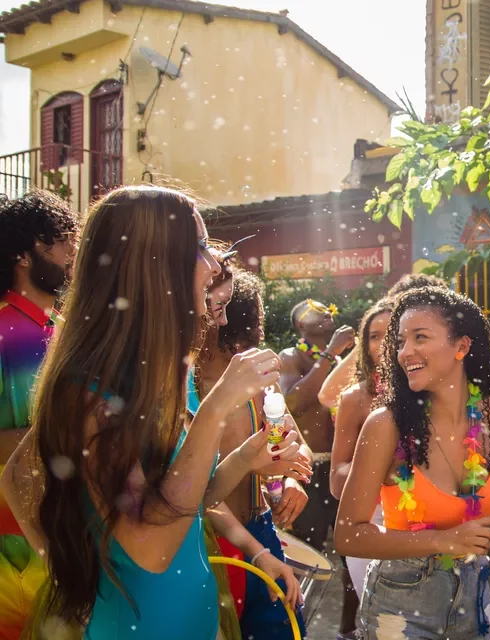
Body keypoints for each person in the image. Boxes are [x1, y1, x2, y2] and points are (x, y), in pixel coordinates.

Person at [0, 186, 304, 638]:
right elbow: (148, 548)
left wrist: (244, 459)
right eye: (198, 247)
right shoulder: (90, 389)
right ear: (153, 265)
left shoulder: (164, 372)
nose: (214, 264)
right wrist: (66, 571)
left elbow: (184, 502)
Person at [336, 287, 490, 639]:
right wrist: (444, 540)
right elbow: (348, 536)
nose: (405, 352)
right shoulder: (386, 426)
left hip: (475, 596)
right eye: (401, 341)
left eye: (420, 337)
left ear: (462, 347)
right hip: (401, 605)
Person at [199, 268, 313, 639]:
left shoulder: (261, 383)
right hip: (207, 541)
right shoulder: (188, 385)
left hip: (259, 529)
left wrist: (293, 479)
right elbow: (198, 489)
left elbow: (294, 443)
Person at [0, 190, 78, 640]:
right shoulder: (3, 330)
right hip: (12, 560)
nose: (72, 253)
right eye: (60, 241)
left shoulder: (66, 332)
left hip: (67, 551)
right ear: (22, 254)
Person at [325, 298, 393, 640]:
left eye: (391, 333)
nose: (382, 344)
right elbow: (337, 482)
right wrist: (381, 471)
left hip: (429, 524)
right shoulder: (355, 398)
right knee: (384, 624)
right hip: (372, 524)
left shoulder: (437, 392)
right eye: (374, 336)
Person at [279, 298, 355, 555]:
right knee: (306, 553)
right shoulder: (290, 357)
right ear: (301, 323)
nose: (327, 312)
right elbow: (294, 403)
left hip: (342, 468)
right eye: (317, 310)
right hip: (308, 469)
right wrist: (330, 353)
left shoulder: (338, 363)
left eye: (328, 308)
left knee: (353, 555)